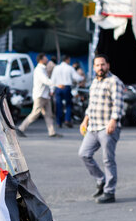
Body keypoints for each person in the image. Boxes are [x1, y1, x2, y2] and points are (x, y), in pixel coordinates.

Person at [78, 53, 124, 204]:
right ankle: (101, 179)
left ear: (108, 65)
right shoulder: (94, 83)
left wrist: (114, 120)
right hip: (93, 127)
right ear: (93, 67)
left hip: (107, 127)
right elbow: (91, 105)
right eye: (97, 65)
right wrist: (85, 120)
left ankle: (110, 192)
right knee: (84, 154)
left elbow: (118, 103)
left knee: (108, 160)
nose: (100, 67)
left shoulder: (114, 81)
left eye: (103, 64)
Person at [17, 53, 62, 138]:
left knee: (48, 114)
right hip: (40, 96)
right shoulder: (39, 70)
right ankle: (21, 128)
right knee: (35, 114)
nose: (47, 59)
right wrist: (56, 84)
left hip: (45, 95)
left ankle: (52, 132)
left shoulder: (43, 69)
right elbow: (45, 80)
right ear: (41, 60)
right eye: (45, 58)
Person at [50, 56, 84, 128]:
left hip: (58, 88)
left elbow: (53, 79)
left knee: (59, 105)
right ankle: (67, 120)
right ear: (67, 60)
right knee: (68, 105)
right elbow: (77, 77)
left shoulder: (56, 68)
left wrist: (52, 90)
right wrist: (82, 78)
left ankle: (59, 122)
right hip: (67, 88)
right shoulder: (69, 68)